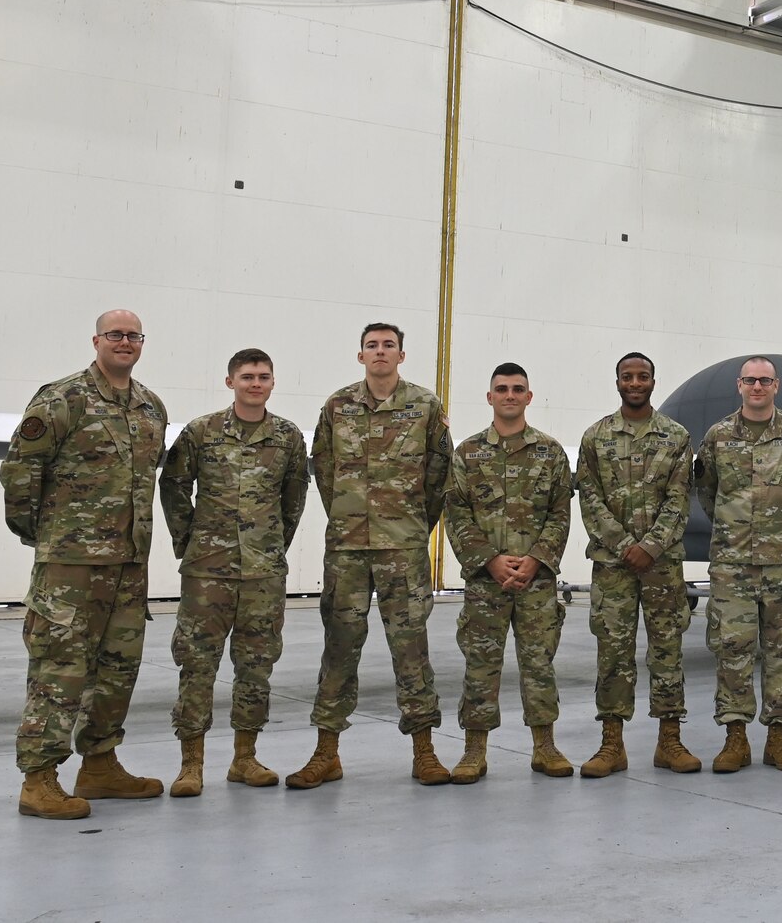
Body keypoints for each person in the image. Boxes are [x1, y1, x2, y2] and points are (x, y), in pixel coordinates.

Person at [2, 310, 169, 819]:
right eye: (115, 335)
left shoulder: (151, 407)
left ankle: (99, 765)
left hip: (128, 564)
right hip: (70, 566)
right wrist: (45, 536)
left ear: (142, 343)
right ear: (96, 340)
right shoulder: (63, 398)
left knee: (118, 668)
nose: (125, 342)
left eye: (133, 336)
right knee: (60, 668)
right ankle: (39, 777)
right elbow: (21, 470)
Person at [290, 322, 454, 789]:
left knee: (411, 649)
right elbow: (322, 465)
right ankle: (326, 752)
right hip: (347, 549)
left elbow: (440, 472)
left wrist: (411, 523)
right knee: (339, 648)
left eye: (388, 346)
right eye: (371, 346)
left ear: (402, 355)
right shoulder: (337, 405)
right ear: (360, 355)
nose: (380, 352)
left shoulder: (425, 405)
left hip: (402, 547)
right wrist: (348, 514)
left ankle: (425, 750)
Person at [159, 347, 309, 797]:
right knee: (197, 664)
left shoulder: (286, 437)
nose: (255, 383)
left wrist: (274, 543)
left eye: (263, 376)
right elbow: (174, 485)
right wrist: (189, 540)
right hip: (208, 571)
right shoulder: (201, 432)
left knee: (257, 666)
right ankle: (191, 765)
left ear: (272, 382)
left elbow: (294, 495)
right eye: (247, 376)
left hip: (263, 572)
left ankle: (245, 758)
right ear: (231, 382)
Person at [443, 363, 576, 784]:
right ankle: (474, 751)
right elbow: (456, 512)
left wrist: (536, 558)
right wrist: (489, 559)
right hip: (487, 581)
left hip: (536, 580)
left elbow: (560, 512)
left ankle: (545, 746)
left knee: (539, 663)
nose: (510, 395)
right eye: (502, 389)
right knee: (480, 664)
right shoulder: (467, 453)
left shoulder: (550, 453)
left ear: (529, 397)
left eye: (518, 389)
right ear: (489, 397)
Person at [577, 351, 698, 778]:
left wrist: (651, 546)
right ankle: (612, 744)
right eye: (627, 376)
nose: (634, 382)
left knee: (667, 651)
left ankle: (670, 741)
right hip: (613, 566)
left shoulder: (677, 437)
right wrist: (626, 544)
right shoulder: (596, 437)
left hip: (662, 566)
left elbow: (680, 499)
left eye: (641, 376)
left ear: (652, 381)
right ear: (617, 382)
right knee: (613, 654)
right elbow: (589, 500)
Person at [695, 356, 782, 773]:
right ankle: (735, 737)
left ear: (776, 386)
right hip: (733, 564)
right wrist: (737, 531)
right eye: (751, 380)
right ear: (739, 385)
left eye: (765, 380)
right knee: (732, 649)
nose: (758, 387)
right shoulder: (717, 437)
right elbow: (709, 494)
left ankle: (780, 737)